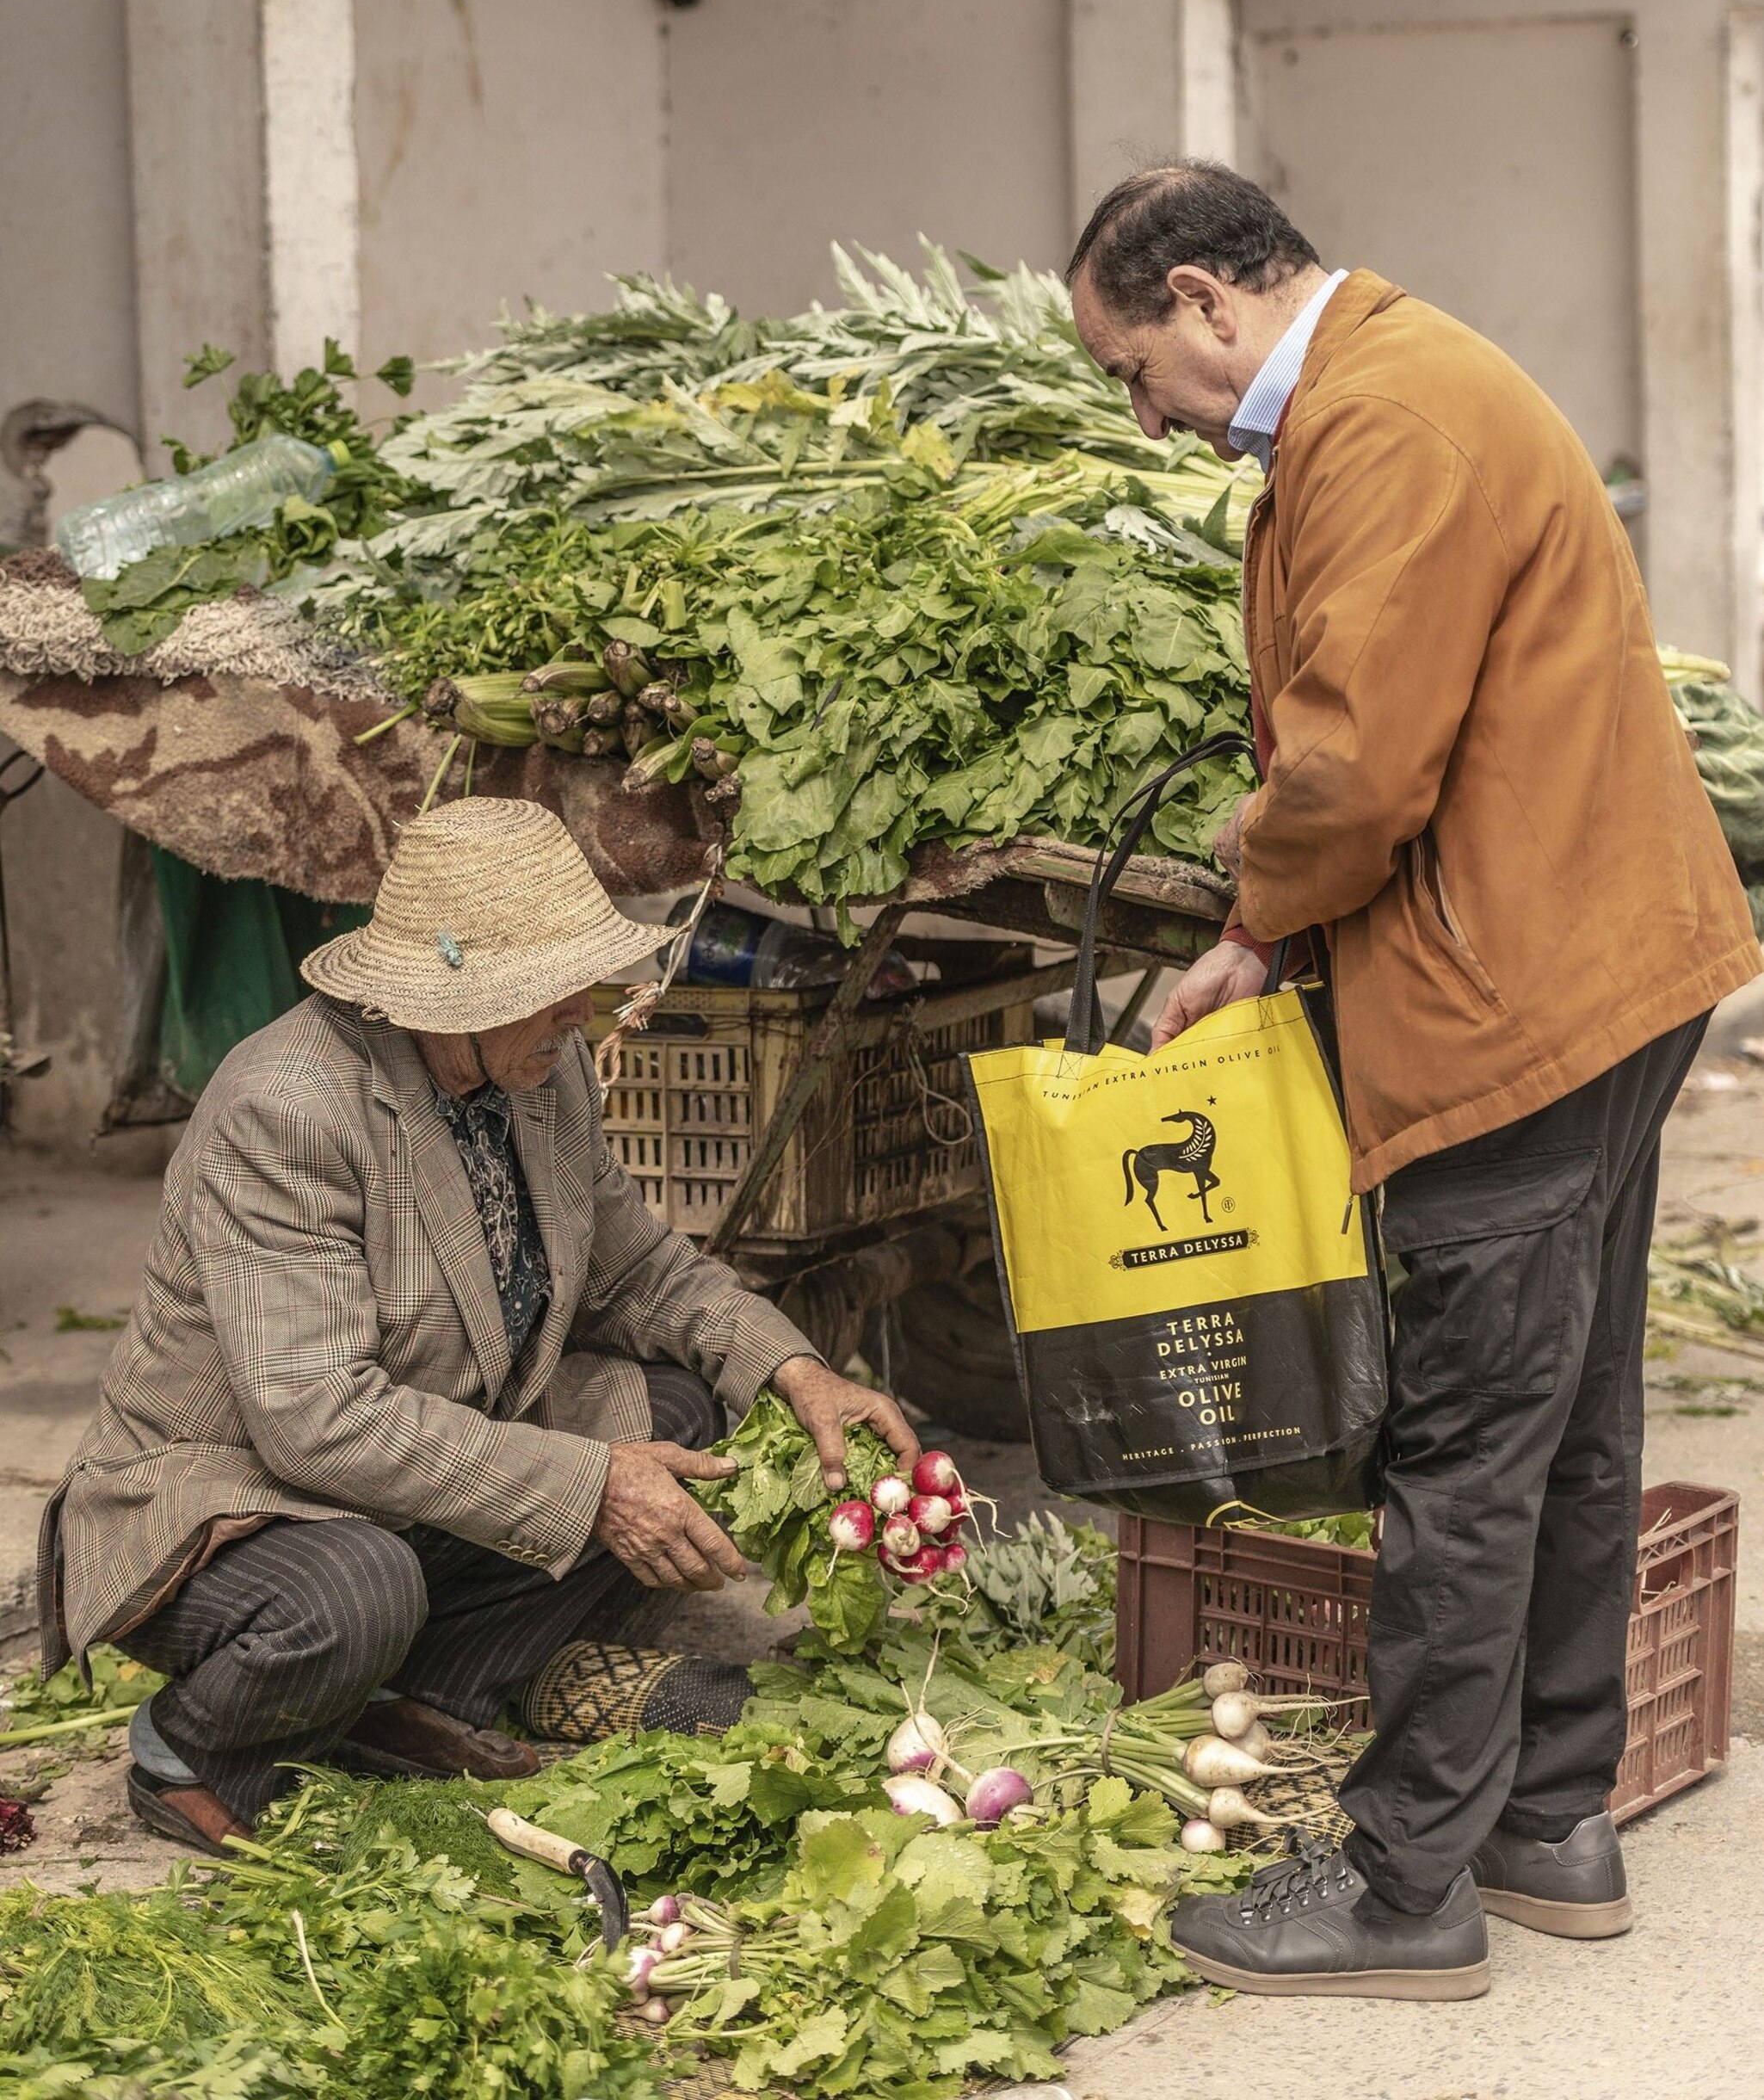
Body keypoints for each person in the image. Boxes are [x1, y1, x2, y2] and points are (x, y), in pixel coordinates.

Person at [1069, 162, 1758, 1999]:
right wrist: (1271, 943)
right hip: (1599, 959)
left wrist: (1251, 909)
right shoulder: (1398, 380)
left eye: (1135, 367)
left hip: (1508, 992)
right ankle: (1548, 1820)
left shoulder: (1382, 419)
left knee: (1460, 1443)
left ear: (1207, 298)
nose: (1141, 413)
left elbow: (1356, 774)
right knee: (1566, 1417)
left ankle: (1402, 1891)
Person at [37, 797, 911, 1850]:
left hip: (419, 1449)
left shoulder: (543, 1068)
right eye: (554, 989)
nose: (582, 1011)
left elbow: (636, 1272)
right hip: (230, 1497)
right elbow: (316, 1418)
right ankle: (187, 1745)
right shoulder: (290, 1105)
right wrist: (589, 1486)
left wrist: (792, 1370)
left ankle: (422, 1700)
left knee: (682, 1416)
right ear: (452, 998)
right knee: (360, 1591)